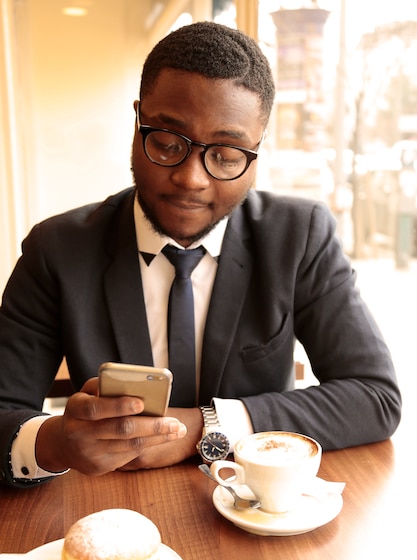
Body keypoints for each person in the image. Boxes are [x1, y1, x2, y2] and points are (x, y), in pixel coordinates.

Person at [0, 21, 401, 489]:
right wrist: (56, 442)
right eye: (168, 144)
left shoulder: (299, 237)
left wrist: (203, 427)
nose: (192, 179)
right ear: (137, 122)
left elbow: (375, 397)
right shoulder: (57, 250)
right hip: (112, 506)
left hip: (255, 513)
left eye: (227, 155)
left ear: (256, 151)